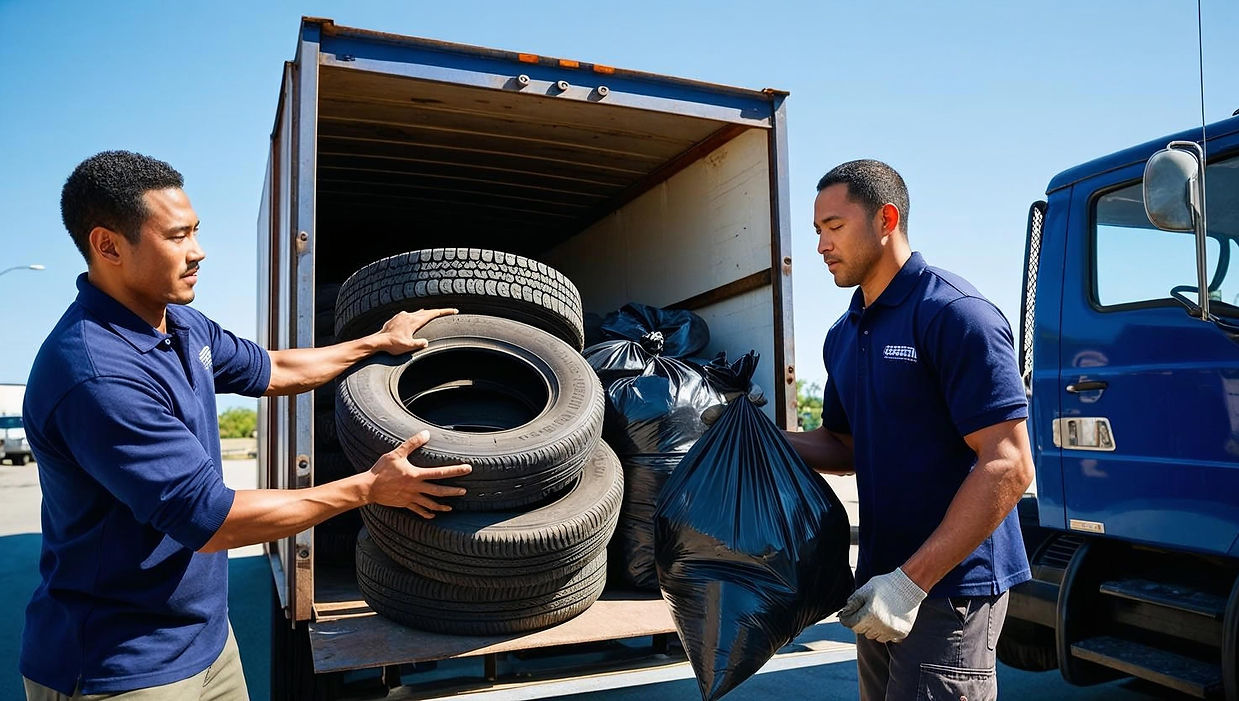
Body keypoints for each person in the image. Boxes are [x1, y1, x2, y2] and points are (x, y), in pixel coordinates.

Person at [20, 150, 472, 700]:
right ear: (108, 245)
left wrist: (376, 342)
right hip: (121, 665)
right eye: (177, 236)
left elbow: (277, 369)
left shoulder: (180, 322)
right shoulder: (96, 374)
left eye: (196, 231)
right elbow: (214, 521)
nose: (198, 251)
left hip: (205, 642)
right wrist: (368, 489)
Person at [785, 159, 1035, 700]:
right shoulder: (845, 334)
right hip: (879, 584)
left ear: (886, 220)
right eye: (817, 231)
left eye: (834, 227)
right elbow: (845, 445)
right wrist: (759, 437)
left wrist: (911, 583)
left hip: (949, 589)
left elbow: (1009, 463)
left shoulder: (955, 314)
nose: (822, 246)